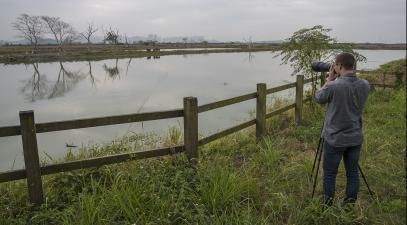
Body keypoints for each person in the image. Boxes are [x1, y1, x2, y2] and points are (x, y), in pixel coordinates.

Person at [314, 52, 370, 206]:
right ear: (353, 66)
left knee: (330, 174)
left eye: (335, 65)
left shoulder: (333, 86)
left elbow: (318, 98)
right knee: (352, 172)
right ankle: (349, 204)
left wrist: (329, 80)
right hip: (355, 137)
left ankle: (327, 205)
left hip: (335, 139)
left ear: (338, 66)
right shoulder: (365, 84)